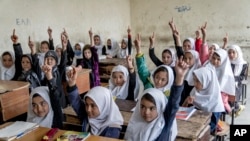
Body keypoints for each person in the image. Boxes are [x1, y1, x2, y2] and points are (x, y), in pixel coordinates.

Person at [124, 51, 189, 141]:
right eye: (142, 107)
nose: (146, 112)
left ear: (160, 108)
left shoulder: (164, 122)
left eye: (152, 108)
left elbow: (174, 102)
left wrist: (180, 77)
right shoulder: (137, 121)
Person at [66, 67, 124, 139]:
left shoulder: (113, 129)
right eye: (86, 104)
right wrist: (72, 84)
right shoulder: (89, 116)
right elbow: (76, 102)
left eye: (93, 106)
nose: (88, 109)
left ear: (103, 107)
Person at [183, 67, 225, 134]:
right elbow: (183, 112)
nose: (195, 84)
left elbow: (210, 128)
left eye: (198, 81)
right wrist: (186, 102)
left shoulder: (215, 103)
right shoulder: (195, 91)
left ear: (206, 81)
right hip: (192, 126)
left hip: (203, 132)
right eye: (194, 80)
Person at [27, 62, 64, 129]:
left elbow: (55, 97)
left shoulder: (55, 116)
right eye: (34, 105)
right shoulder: (30, 121)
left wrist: (49, 76)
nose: (39, 109)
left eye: (43, 103)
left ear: (49, 102)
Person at [205, 48, 235, 114]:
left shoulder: (226, 73)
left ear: (223, 60)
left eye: (218, 59)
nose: (215, 61)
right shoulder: (208, 67)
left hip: (220, 95)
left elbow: (223, 88)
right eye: (214, 58)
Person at [227, 44, 247, 116]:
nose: (231, 54)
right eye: (229, 53)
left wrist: (234, 78)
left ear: (237, 53)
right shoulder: (227, 63)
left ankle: (235, 108)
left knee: (233, 96)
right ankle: (237, 108)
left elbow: (242, 77)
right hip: (227, 83)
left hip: (237, 84)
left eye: (233, 52)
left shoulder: (244, 64)